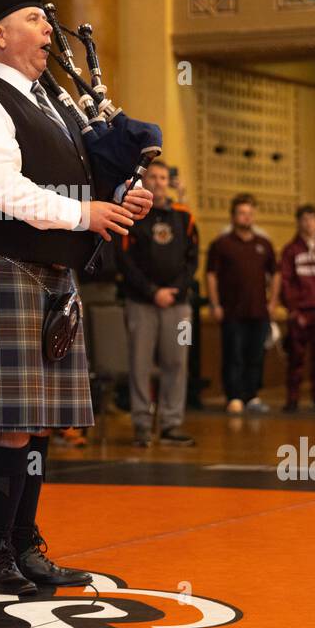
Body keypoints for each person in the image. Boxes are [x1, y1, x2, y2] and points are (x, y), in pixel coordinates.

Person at [0, 0, 153, 595]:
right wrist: (86, 215)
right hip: (1, 271)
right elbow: (1, 192)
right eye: (34, 19)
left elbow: (62, 187)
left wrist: (113, 203)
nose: (49, 28)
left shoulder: (49, 104)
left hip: (49, 276)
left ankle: (26, 546)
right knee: (11, 423)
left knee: (38, 421)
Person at [117, 159, 199, 447]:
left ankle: (171, 424)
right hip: (141, 302)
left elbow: (193, 260)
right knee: (139, 364)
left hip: (179, 306)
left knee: (177, 362)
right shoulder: (132, 215)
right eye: (153, 177)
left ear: (169, 182)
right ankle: (141, 423)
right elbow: (124, 261)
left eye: (163, 177)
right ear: (144, 181)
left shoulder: (184, 216)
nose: (158, 182)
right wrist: (153, 292)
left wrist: (174, 291)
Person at [206, 193, 277, 415]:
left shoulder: (263, 244)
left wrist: (273, 302)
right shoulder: (221, 244)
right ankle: (234, 396)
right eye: (241, 213)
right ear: (233, 216)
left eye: (249, 213)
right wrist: (215, 304)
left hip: (259, 310)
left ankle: (252, 396)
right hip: (231, 310)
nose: (245, 217)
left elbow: (275, 274)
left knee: (256, 355)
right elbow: (211, 275)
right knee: (233, 355)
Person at [276, 204, 315, 411]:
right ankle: (292, 398)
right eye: (304, 219)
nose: (309, 223)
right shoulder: (290, 249)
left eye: (312, 219)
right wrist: (293, 309)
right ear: (298, 222)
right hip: (300, 311)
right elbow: (285, 281)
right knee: (296, 357)